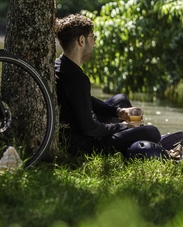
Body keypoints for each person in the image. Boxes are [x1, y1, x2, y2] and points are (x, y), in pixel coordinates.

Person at [54, 13, 161, 156]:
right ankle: (133, 148)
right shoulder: (77, 79)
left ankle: (132, 137)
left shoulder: (59, 65)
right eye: (92, 37)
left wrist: (118, 112)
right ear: (81, 41)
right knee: (152, 132)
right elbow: (90, 128)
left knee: (121, 100)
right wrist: (122, 126)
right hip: (84, 145)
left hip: (78, 129)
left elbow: (85, 100)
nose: (94, 43)